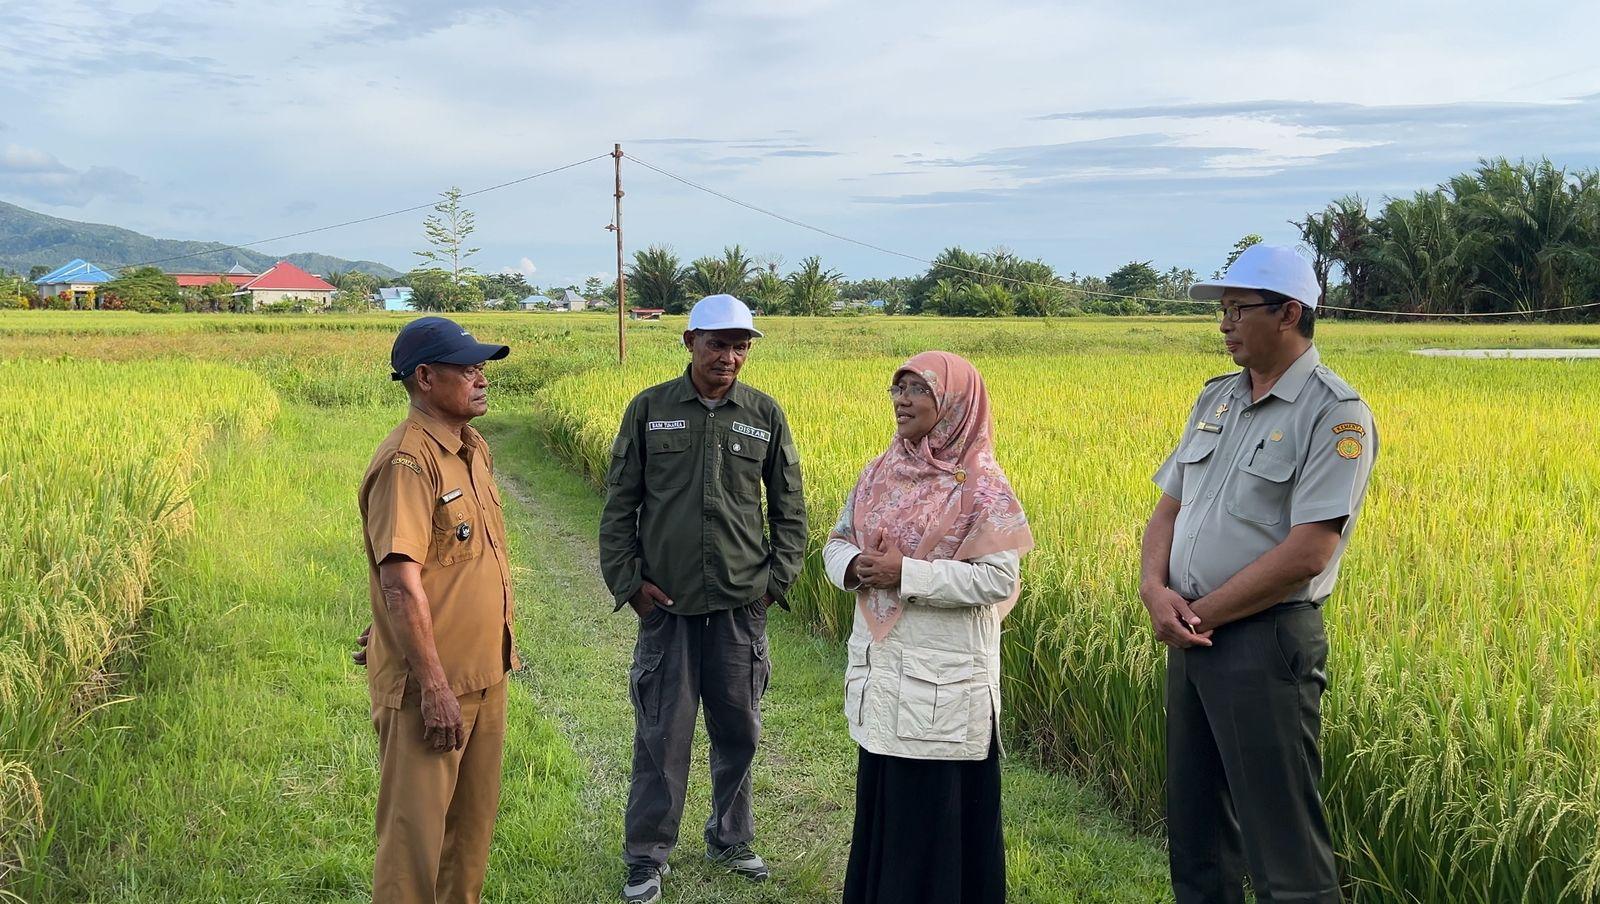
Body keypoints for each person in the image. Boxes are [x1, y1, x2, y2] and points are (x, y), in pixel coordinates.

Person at [1142, 245, 1378, 903]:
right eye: (1221, 311)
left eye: (1237, 309)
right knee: (1197, 837)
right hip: (1191, 636)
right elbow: (1168, 507)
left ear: (1289, 313)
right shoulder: (1216, 400)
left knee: (1284, 850)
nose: (1223, 325)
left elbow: (1309, 551)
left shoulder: (1333, 413)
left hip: (1263, 643)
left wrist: (1201, 613)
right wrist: (1154, 590)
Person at [598, 294, 808, 904]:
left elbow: (789, 506)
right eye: (718, 343)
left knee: (739, 727)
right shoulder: (650, 409)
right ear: (690, 342)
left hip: (741, 604)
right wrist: (628, 583)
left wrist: (778, 579)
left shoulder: (764, 414)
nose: (729, 356)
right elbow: (620, 505)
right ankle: (646, 856)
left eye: (740, 345)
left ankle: (730, 838)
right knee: (663, 732)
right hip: (668, 605)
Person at [823, 350, 1034, 904]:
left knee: (937, 820)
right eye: (899, 388)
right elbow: (838, 538)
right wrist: (854, 566)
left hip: (944, 682)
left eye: (919, 390)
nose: (902, 400)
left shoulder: (980, 484)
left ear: (954, 404)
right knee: (887, 811)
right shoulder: (881, 470)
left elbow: (996, 579)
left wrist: (905, 573)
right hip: (883, 673)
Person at [356, 316, 517, 904]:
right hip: (435, 689)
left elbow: (435, 569)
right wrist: (432, 685)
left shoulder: (472, 449)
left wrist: (388, 624)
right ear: (425, 377)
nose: (481, 378)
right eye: (467, 367)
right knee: (414, 848)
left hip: (486, 675)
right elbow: (398, 580)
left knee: (468, 839)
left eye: (482, 367)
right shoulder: (407, 462)